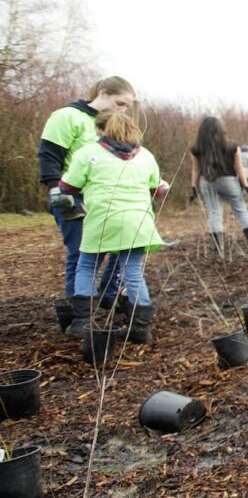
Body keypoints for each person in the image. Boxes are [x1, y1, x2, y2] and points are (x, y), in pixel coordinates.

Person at [57, 110, 166, 344]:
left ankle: (84, 322)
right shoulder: (146, 155)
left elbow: (68, 186)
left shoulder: (88, 153)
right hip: (137, 222)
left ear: (100, 130)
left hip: (102, 220)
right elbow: (157, 188)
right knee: (133, 273)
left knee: (87, 266)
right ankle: (140, 328)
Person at [39, 76, 136, 304]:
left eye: (127, 107)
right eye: (119, 103)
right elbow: (49, 155)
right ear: (102, 93)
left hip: (107, 196)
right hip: (72, 195)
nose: (122, 110)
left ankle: (108, 296)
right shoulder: (67, 116)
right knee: (82, 252)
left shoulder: (113, 125)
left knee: (121, 246)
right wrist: (56, 190)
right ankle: (79, 307)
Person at [190, 117, 248, 252]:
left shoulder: (196, 148)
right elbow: (239, 168)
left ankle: (218, 247)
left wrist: (193, 187)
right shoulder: (233, 146)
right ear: (220, 129)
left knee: (214, 212)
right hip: (229, 181)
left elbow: (196, 169)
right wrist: (246, 186)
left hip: (207, 182)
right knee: (241, 209)